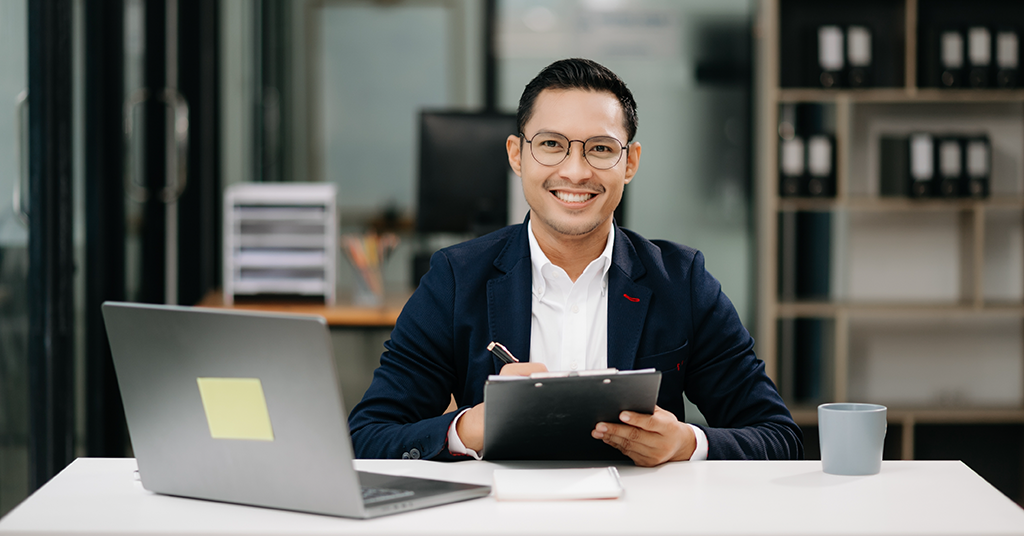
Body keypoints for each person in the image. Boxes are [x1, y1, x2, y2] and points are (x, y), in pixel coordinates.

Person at [348, 58, 802, 465]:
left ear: (630, 163)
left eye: (601, 149)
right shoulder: (456, 277)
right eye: (551, 144)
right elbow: (367, 436)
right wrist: (471, 427)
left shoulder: (681, 281)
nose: (576, 171)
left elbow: (779, 437)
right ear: (516, 155)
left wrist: (686, 444)